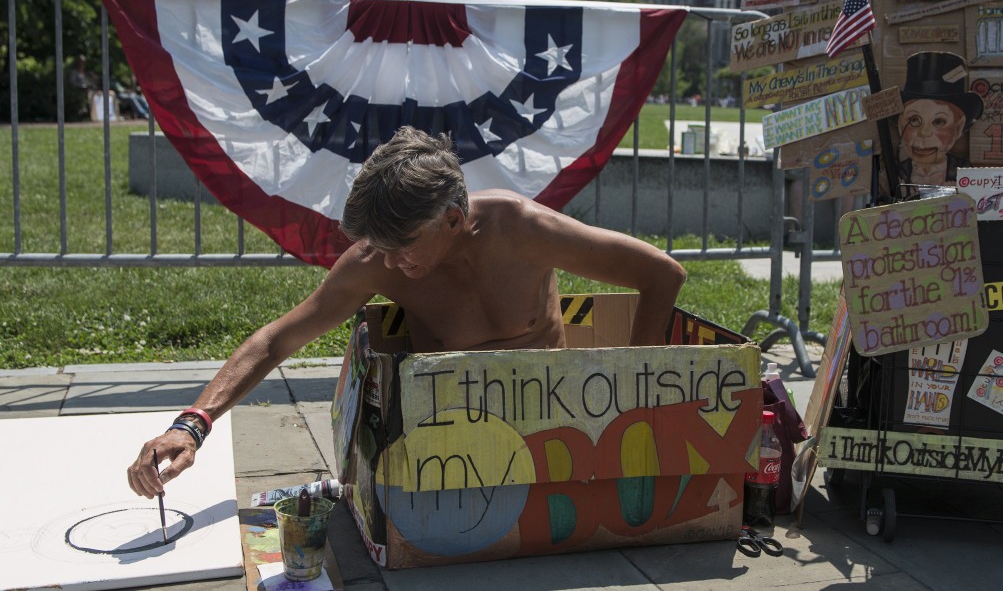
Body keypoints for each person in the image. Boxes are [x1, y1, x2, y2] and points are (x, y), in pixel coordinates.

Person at [126, 126, 687, 498]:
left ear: (452, 217)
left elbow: (661, 273)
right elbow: (277, 340)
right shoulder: (376, 260)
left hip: (553, 415)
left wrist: (633, 390)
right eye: (381, 246)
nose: (392, 261)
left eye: (405, 244)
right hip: (451, 426)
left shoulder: (523, 229)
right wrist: (190, 424)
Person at [896, 52, 983, 191]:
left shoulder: (967, 175)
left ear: (958, 128)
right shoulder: (892, 176)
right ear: (900, 125)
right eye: (914, 120)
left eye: (939, 122)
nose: (924, 133)